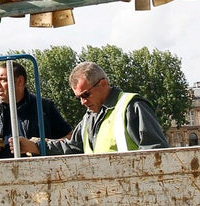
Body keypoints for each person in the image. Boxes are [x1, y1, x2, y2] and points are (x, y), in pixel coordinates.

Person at [16, 61, 169, 155]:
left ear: (103, 84)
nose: (82, 102)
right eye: (79, 98)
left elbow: (156, 153)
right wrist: (36, 146)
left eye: (85, 94)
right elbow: (72, 147)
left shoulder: (132, 107)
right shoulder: (89, 117)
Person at [0, 61, 73, 159]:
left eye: (3, 80)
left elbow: (70, 139)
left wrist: (39, 146)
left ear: (20, 81)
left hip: (35, 175)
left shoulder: (43, 107)